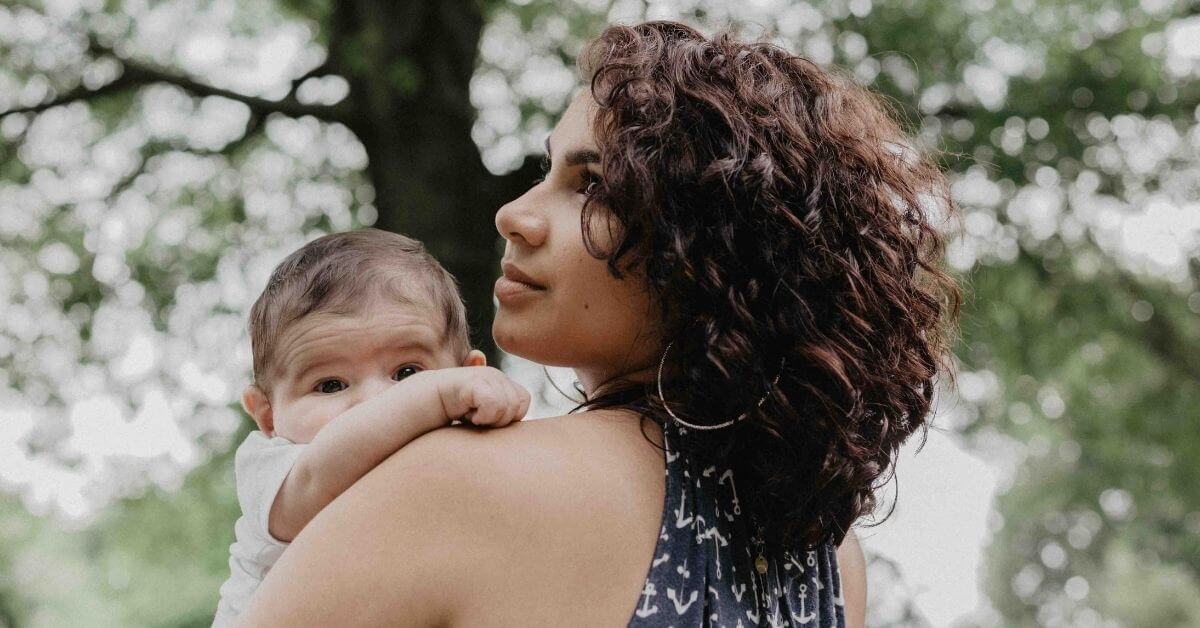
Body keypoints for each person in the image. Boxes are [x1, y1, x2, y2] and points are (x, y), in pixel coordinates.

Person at [240, 20, 960, 627]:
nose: (514, 215)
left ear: (710, 247)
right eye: (544, 171)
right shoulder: (827, 557)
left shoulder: (457, 479)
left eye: (591, 187)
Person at [212, 229, 531, 626]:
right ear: (268, 416)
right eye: (330, 385)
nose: (375, 403)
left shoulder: (463, 455)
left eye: (408, 372)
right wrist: (431, 396)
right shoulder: (273, 466)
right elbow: (314, 482)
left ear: (469, 376)